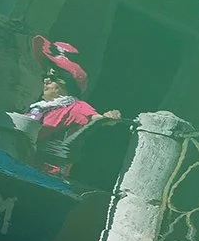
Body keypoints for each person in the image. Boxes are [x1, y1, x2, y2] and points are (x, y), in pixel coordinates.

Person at [8, 36, 119, 175]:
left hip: (44, 173)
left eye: (52, 77)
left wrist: (109, 118)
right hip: (20, 161)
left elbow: (96, 118)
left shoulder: (76, 107)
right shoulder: (42, 107)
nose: (46, 80)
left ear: (66, 83)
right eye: (45, 75)